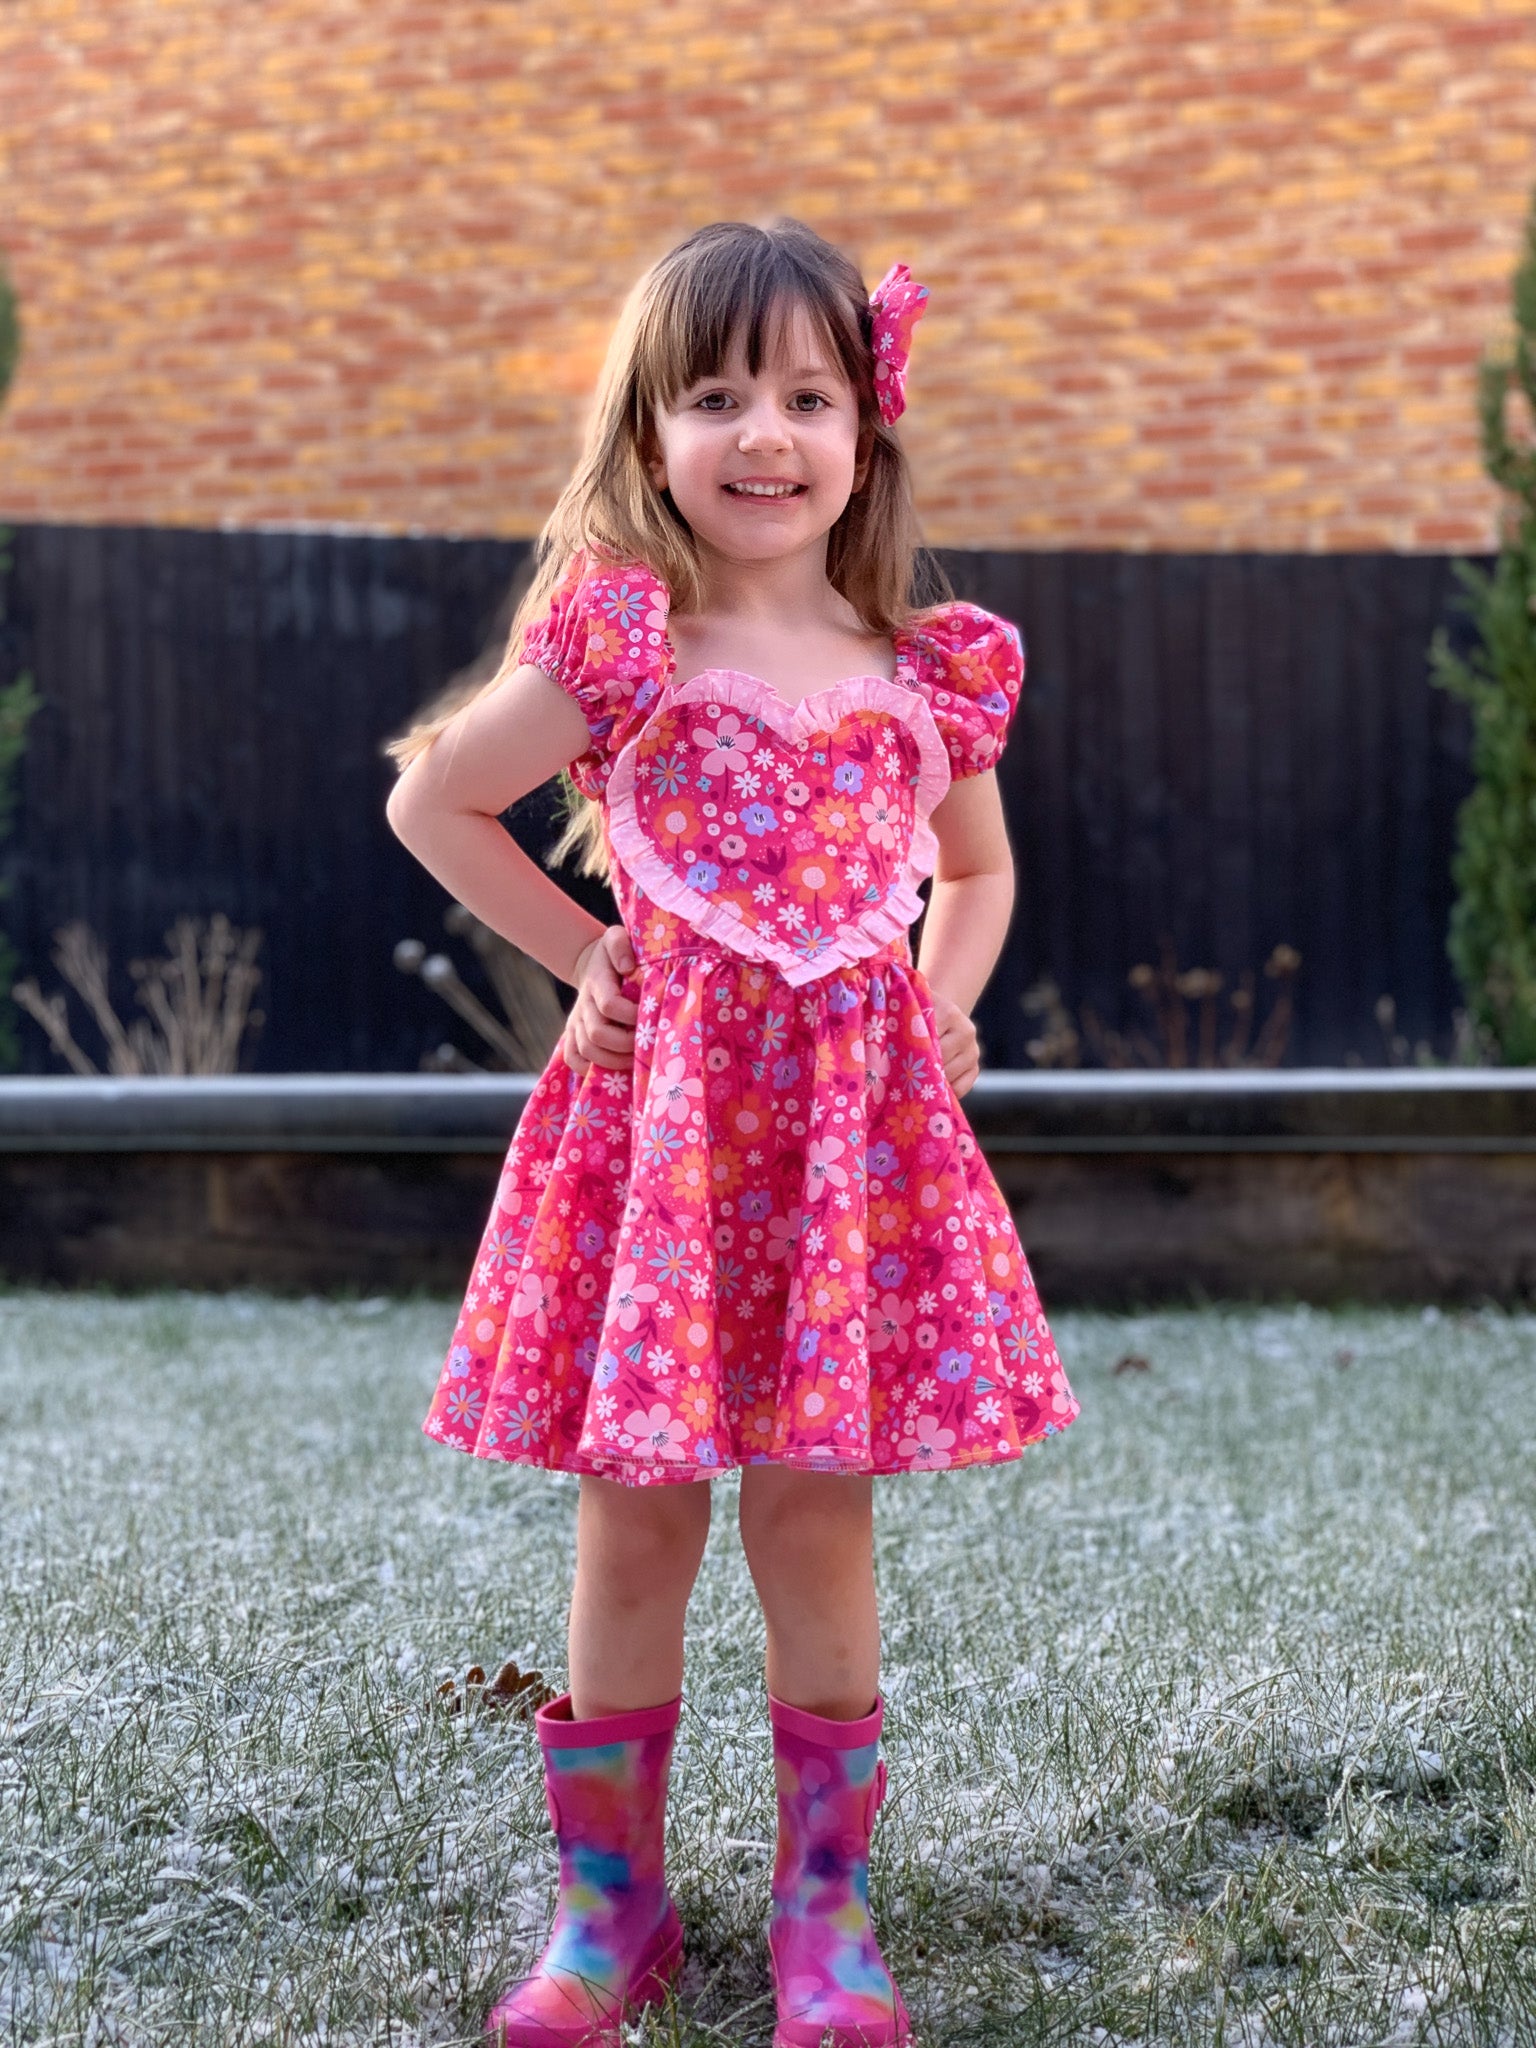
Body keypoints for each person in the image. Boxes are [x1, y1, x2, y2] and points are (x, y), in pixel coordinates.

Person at [385, 217, 1082, 2048]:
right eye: (714, 396)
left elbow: (978, 872)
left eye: (807, 396)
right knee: (636, 1528)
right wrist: (588, 956)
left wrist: (944, 998)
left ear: (866, 430)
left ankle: (823, 1918)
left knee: (814, 1519)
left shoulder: (923, 670)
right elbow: (437, 801)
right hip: (670, 1156)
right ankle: (608, 1914)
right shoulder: (625, 643)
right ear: (649, 429)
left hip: (843, 1162)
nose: (763, 433)